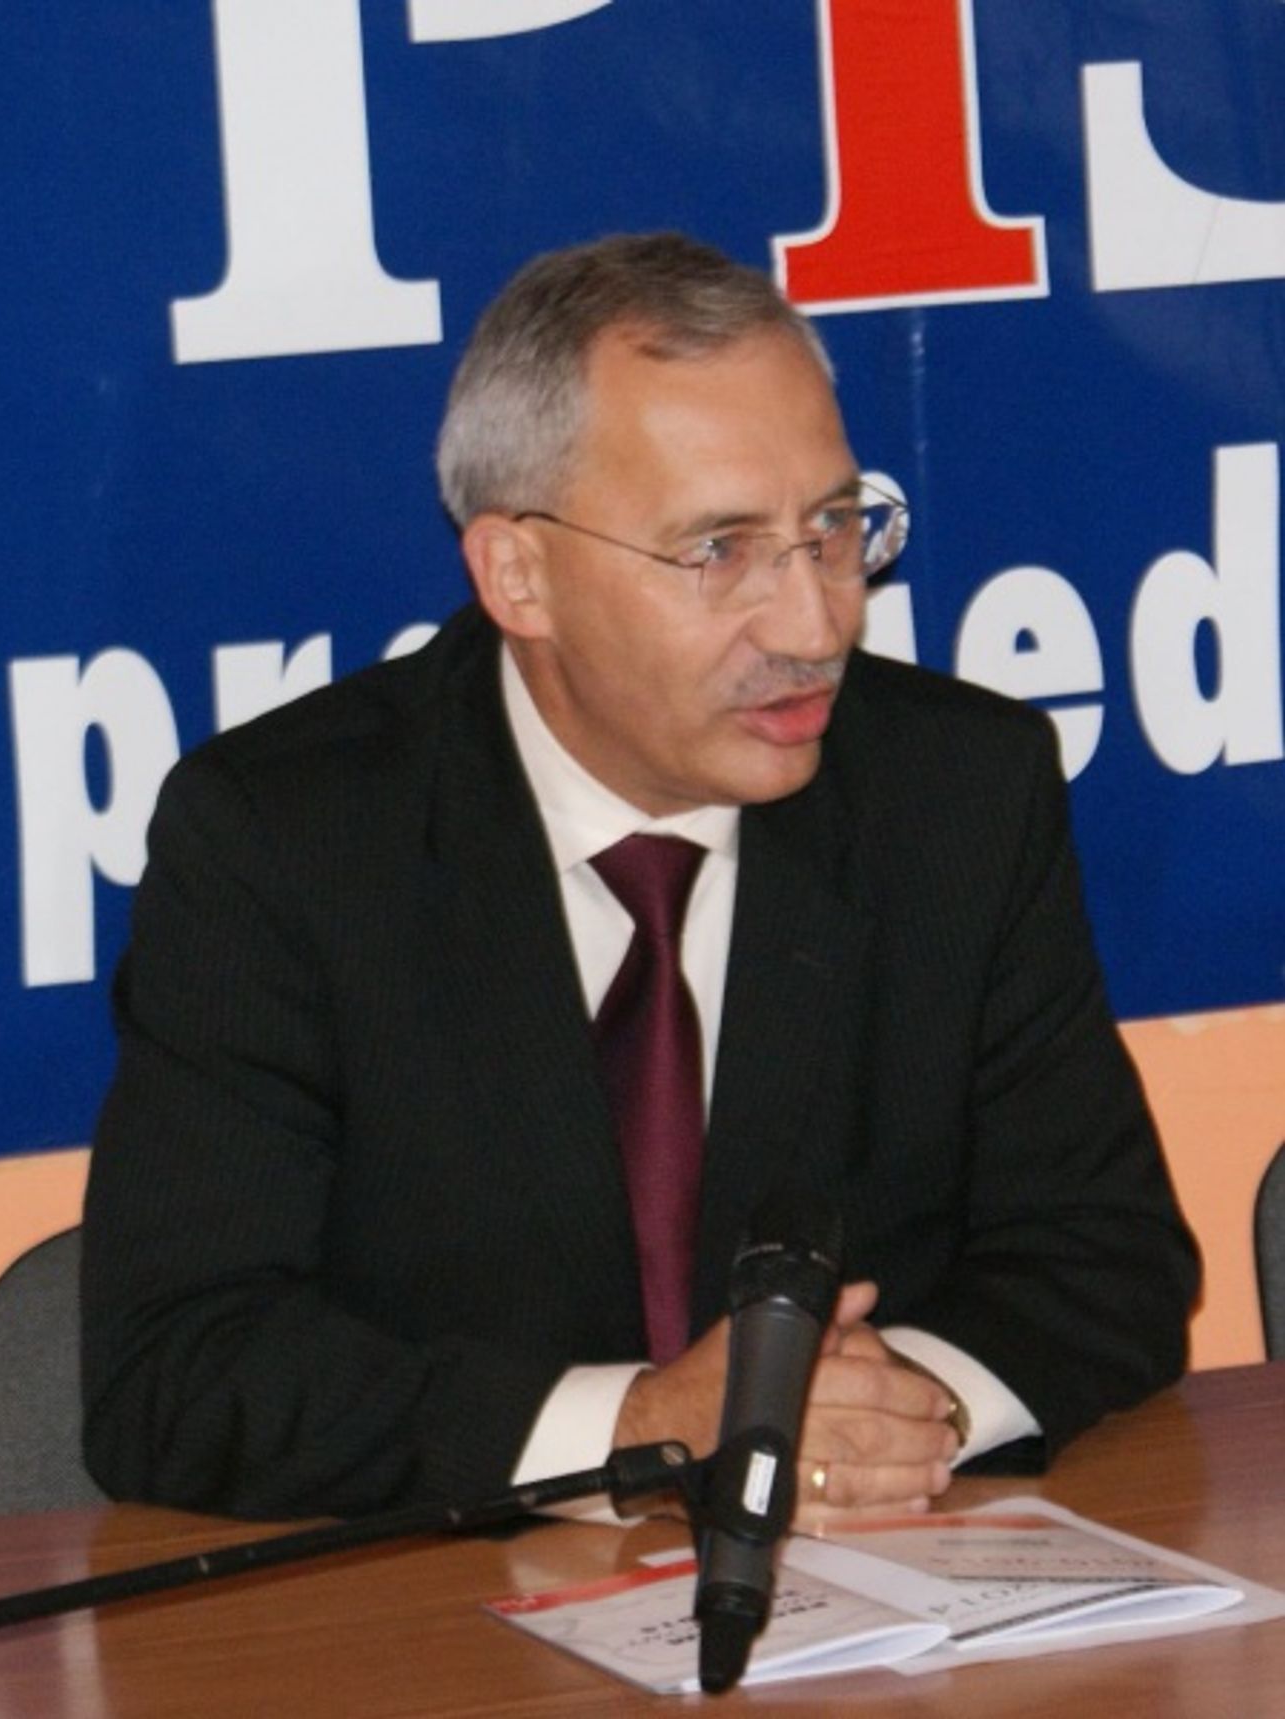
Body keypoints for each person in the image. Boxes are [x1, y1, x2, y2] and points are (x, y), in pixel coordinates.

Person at [80, 233, 1198, 1525]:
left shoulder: (957, 791)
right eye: (719, 550)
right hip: (448, 1604)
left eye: (834, 528)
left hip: (880, 1591)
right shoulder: (284, 841)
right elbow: (176, 1373)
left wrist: (889, 1420)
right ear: (520, 575)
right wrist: (635, 1430)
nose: (816, 624)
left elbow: (1105, 1255)